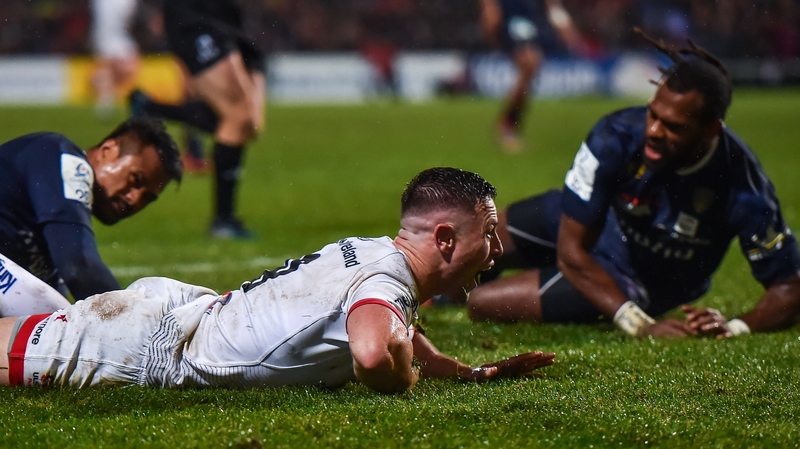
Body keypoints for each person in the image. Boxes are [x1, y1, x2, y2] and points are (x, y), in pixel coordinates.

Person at [0, 167, 555, 391]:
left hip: (180, 315)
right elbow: (370, 350)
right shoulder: (384, 289)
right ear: (444, 239)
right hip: (150, 351)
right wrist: (401, 379)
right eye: (488, 233)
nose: (499, 248)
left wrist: (462, 371)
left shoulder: (376, 254)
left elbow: (394, 327)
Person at [467, 31, 800, 338]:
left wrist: (736, 327)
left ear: (710, 131)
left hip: (632, 276)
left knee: (482, 303)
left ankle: (522, 279)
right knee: (475, 242)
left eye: (672, 126)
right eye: (652, 114)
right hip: (586, 226)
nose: (653, 131)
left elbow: (790, 288)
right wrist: (639, 326)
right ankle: (447, 294)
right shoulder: (615, 136)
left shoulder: (742, 186)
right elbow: (572, 251)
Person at [0, 117, 183, 317]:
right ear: (108, 150)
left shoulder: (49, 235)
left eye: (147, 198)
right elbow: (78, 265)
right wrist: (133, 322)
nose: (134, 199)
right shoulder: (65, 156)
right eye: (135, 180)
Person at [130, 0, 266, 239]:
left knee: (249, 123)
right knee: (237, 113)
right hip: (197, 15)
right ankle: (223, 220)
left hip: (226, 18)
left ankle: (151, 108)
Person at [478, 0, 581, 153]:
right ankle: (507, 125)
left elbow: (552, 5)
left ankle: (509, 123)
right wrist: (489, 10)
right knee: (530, 62)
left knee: (531, 68)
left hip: (530, 18)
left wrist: (563, 22)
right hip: (511, 17)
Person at [89, 0, 141, 119]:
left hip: (112, 35)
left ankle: (105, 96)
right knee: (111, 67)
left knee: (112, 69)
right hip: (108, 36)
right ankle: (105, 100)